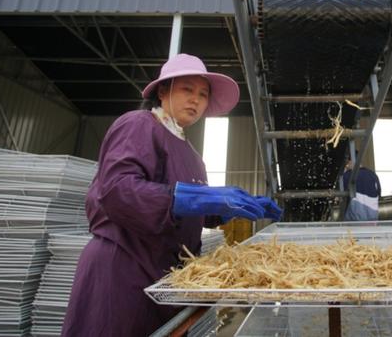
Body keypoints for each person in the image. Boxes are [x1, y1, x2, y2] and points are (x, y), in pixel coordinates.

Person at [61, 54, 282, 337]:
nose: (196, 100)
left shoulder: (191, 154)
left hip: (164, 276)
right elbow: (117, 190)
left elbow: (192, 209)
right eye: (187, 90)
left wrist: (232, 207)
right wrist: (193, 198)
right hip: (124, 267)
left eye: (203, 95)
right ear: (163, 91)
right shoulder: (139, 124)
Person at [342, 154, 381, 221]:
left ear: (350, 161)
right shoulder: (373, 175)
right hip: (373, 218)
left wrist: (344, 171)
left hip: (355, 219)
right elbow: (379, 193)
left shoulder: (348, 175)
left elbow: (342, 195)